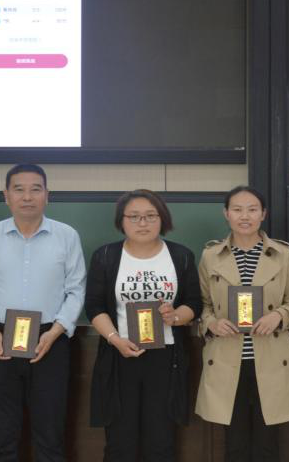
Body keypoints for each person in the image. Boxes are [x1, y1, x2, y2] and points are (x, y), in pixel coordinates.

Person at [0, 163, 86, 462]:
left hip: (50, 340)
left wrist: (56, 331)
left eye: (35, 189)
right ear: (6, 196)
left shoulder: (67, 236)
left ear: (47, 195)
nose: (27, 197)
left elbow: (76, 290)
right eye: (19, 189)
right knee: (2, 435)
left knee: (50, 434)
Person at [85, 189, 203, 462]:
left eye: (151, 216)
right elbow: (94, 306)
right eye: (134, 216)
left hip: (166, 358)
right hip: (120, 353)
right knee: (119, 443)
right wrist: (115, 339)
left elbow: (194, 303)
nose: (143, 223)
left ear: (162, 219)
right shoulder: (105, 256)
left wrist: (175, 316)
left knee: (161, 442)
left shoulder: (181, 256)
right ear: (122, 220)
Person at [196, 186, 289, 462]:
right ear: (226, 214)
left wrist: (278, 316)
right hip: (227, 357)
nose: (244, 216)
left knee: (267, 444)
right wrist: (211, 323)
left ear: (263, 214)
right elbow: (201, 303)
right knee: (234, 444)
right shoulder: (211, 255)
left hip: (271, 356)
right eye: (237, 209)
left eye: (252, 209)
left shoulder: (283, 254)